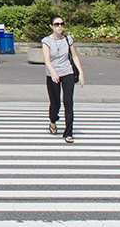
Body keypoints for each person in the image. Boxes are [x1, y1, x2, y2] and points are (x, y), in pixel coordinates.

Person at [42, 15, 85, 143]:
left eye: (62, 24)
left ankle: (68, 133)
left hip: (67, 72)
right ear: (51, 26)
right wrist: (53, 73)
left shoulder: (68, 39)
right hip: (52, 74)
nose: (60, 26)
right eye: (56, 24)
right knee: (55, 103)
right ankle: (53, 120)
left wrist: (81, 73)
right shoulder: (46, 41)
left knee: (68, 102)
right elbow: (46, 60)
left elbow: (75, 56)